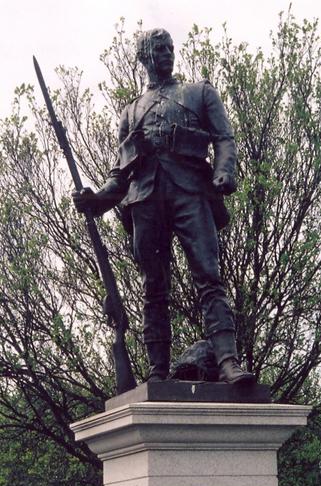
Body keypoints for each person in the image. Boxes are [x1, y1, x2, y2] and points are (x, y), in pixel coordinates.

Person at [73, 28, 254, 386]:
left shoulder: (199, 93)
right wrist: (96, 201)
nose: (168, 53)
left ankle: (228, 361)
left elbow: (224, 138)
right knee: (153, 286)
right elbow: (119, 176)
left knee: (209, 276)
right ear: (144, 57)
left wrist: (224, 171)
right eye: (159, 49)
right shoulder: (130, 113)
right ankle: (157, 370)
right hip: (145, 199)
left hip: (190, 191)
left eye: (170, 48)